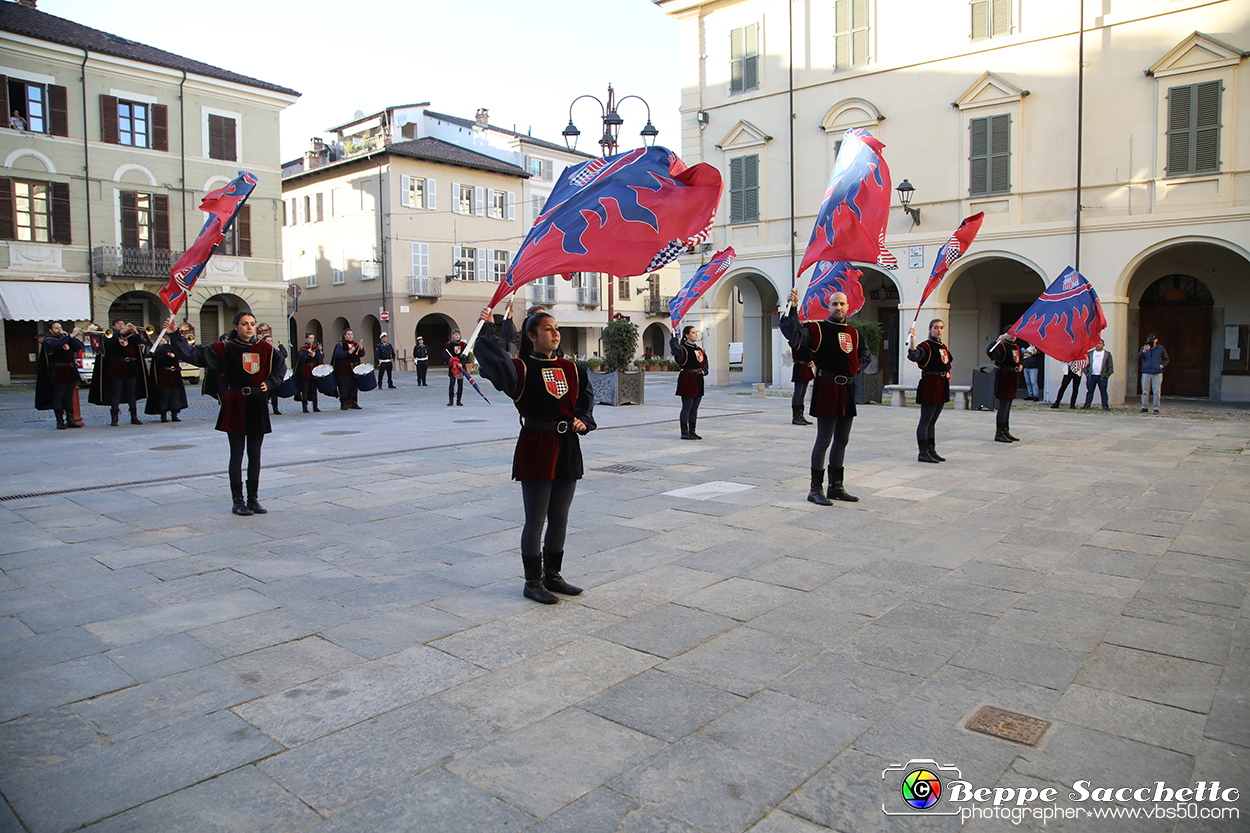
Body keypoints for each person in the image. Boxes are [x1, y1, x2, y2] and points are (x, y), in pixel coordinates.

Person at [475, 306, 596, 605]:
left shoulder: (572, 369)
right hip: (537, 444)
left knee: (560, 518)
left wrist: (583, 420)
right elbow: (493, 360)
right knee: (536, 519)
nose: (555, 332)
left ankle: (553, 575)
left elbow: (584, 402)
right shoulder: (521, 369)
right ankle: (532, 582)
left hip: (567, 445)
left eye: (556, 328)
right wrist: (490, 328)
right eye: (547, 328)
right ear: (532, 336)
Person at [163, 311, 285, 516]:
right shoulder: (225, 348)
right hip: (236, 401)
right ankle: (238, 501)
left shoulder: (266, 348)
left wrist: (270, 383)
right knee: (237, 454)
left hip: (256, 403)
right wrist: (175, 335)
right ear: (236, 326)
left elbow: (281, 368)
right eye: (244, 324)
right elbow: (194, 354)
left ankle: (253, 499)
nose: (249, 327)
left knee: (255, 454)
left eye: (252, 324)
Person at [780, 287, 865, 505]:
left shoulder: (854, 333)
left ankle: (836, 486)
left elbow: (865, 355)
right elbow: (793, 333)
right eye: (835, 303)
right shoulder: (817, 329)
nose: (839, 307)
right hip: (827, 388)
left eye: (842, 304)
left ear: (848, 307)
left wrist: (853, 370)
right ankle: (815, 489)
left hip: (847, 389)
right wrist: (793, 307)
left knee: (842, 440)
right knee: (824, 439)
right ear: (829, 306)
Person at [89, 320, 150, 425]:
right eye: (119, 324)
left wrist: (135, 331)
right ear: (113, 326)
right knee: (115, 393)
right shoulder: (110, 335)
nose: (121, 326)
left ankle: (134, 416)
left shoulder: (130, 336)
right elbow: (107, 342)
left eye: (123, 324)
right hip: (116, 368)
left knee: (131, 393)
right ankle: (114, 418)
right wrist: (121, 332)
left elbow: (142, 342)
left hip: (131, 368)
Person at [907, 319, 952, 463]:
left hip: (941, 383)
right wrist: (913, 339)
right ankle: (923, 452)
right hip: (930, 384)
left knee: (933, 421)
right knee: (926, 420)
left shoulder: (942, 346)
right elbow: (915, 355)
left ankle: (932, 450)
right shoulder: (926, 345)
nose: (939, 330)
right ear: (930, 329)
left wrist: (947, 372)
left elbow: (946, 362)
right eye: (936, 327)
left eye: (941, 328)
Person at [35, 322, 84, 429]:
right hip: (58, 371)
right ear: (50, 330)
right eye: (56, 328)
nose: (59, 330)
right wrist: (70, 336)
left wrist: (71, 337)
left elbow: (80, 346)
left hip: (70, 371)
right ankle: (60, 421)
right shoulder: (49, 340)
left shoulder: (66, 339)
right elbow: (55, 346)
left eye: (60, 328)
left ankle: (70, 419)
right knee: (59, 396)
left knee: (68, 396)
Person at [671, 325, 708, 439]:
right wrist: (674, 340)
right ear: (687, 335)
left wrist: (704, 371)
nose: (695, 334)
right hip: (688, 378)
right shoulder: (684, 349)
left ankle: (692, 430)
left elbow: (705, 362)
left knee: (695, 406)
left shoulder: (699, 349)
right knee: (687, 405)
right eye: (693, 332)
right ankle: (684, 432)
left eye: (696, 332)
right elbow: (677, 353)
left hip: (698, 379)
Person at [986, 333, 1022, 443]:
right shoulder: (1002, 346)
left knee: (1008, 405)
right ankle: (999, 432)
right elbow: (990, 352)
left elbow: (1017, 359)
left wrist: (1020, 365)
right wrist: (997, 341)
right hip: (1004, 376)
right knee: (1004, 405)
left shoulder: (1016, 346)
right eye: (1010, 334)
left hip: (1013, 377)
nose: (1013, 336)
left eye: (1015, 334)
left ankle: (1006, 430)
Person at [144, 338, 188, 422]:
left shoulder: (173, 349)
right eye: (161, 341)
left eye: (164, 341)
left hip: (174, 375)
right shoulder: (158, 351)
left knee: (174, 396)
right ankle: (163, 415)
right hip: (164, 376)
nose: (163, 342)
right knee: (164, 396)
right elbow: (159, 356)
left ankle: (174, 414)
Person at [331, 329, 365, 410]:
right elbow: (337, 354)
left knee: (354, 386)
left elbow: (361, 354)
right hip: (343, 369)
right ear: (344, 335)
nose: (350, 336)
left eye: (351, 334)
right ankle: (343, 403)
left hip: (354, 369)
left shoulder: (355, 344)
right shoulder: (340, 345)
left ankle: (354, 402)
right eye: (348, 334)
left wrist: (361, 349)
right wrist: (347, 352)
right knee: (344, 386)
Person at [1139, 333, 1169, 414]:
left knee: (1157, 391)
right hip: (1146, 371)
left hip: (1157, 372)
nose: (1150, 342)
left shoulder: (1160, 348)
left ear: (1156, 340)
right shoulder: (1144, 348)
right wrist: (1144, 351)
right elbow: (1139, 357)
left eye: (1152, 340)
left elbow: (1166, 359)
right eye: (1149, 340)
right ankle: (1144, 407)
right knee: (1145, 391)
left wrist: (1161, 366)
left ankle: (1156, 408)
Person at [1082, 339, 1114, 411]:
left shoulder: (1107, 354)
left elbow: (1110, 366)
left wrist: (1108, 374)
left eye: (1100, 343)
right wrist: (1086, 373)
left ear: (1103, 345)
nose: (1098, 345)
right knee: (1090, 391)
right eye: (1096, 343)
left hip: (1102, 376)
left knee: (1103, 391)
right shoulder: (1090, 353)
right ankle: (1087, 404)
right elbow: (1085, 364)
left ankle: (1105, 405)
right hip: (1091, 376)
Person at [294, 334, 322, 412]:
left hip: (313, 370)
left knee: (314, 389)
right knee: (305, 389)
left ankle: (315, 406)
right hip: (305, 371)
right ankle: (305, 407)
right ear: (306, 339)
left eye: (313, 338)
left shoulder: (315, 348)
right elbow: (302, 359)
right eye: (310, 338)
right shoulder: (303, 349)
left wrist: (319, 351)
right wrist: (308, 353)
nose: (311, 340)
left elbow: (320, 357)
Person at [789, 342, 814, 426]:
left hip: (806, 366)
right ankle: (796, 416)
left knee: (802, 393)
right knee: (798, 392)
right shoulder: (796, 341)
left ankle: (801, 416)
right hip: (800, 366)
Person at [263, 336, 288, 415]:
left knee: (274, 394)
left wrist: (281, 346)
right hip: (265, 376)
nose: (269, 342)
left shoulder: (274, 351)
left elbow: (284, 355)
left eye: (270, 340)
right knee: (265, 395)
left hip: (273, 375)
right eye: (267, 340)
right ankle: (265, 410)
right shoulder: (262, 351)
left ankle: (275, 408)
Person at [445, 328, 467, 406]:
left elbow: (466, 356)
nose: (457, 336)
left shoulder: (463, 345)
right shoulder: (448, 345)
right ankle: (451, 400)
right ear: (452, 335)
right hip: (453, 367)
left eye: (458, 334)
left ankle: (459, 400)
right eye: (455, 334)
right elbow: (446, 356)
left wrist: (461, 363)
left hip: (460, 368)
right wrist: (452, 361)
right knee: (452, 383)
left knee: (460, 384)